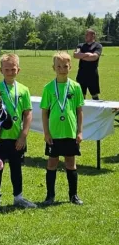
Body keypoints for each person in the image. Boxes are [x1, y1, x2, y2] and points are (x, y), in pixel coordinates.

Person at [0, 54, 37, 212]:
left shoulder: (24, 90)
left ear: (18, 70)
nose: (10, 72)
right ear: (0, 70)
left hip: (17, 138)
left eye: (13, 69)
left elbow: (28, 113)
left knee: (16, 168)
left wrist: (23, 135)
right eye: (6, 69)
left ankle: (18, 197)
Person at [41, 52, 84, 206]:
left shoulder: (76, 87)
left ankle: (73, 195)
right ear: (54, 68)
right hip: (54, 133)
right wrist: (46, 132)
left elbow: (79, 111)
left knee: (70, 163)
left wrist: (79, 131)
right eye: (58, 66)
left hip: (70, 132)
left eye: (65, 66)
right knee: (52, 163)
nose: (62, 69)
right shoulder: (48, 88)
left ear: (70, 67)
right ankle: (50, 196)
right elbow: (44, 112)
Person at [73, 29, 102, 100]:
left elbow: (94, 57)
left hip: (92, 74)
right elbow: (75, 55)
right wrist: (87, 54)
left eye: (87, 34)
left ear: (93, 36)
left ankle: (96, 110)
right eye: (85, 34)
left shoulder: (98, 46)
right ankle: (81, 110)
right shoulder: (80, 45)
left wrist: (82, 56)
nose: (85, 36)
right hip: (81, 73)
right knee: (81, 95)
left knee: (94, 95)